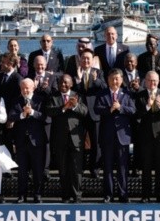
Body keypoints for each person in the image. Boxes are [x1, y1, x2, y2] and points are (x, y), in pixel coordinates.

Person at [45, 74, 88, 203]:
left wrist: (74, 106)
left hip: (76, 139)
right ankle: (65, 196)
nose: (62, 85)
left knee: (76, 169)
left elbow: (85, 112)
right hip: (60, 138)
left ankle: (77, 196)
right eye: (60, 83)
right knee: (63, 169)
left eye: (65, 83)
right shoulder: (54, 97)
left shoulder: (78, 96)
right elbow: (49, 111)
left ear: (71, 84)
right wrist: (64, 108)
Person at [95, 69, 136, 203]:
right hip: (107, 136)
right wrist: (109, 110)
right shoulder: (102, 94)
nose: (115, 82)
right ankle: (108, 195)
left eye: (117, 79)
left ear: (121, 80)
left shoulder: (127, 94)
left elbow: (133, 110)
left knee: (123, 168)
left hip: (122, 137)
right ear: (108, 80)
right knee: (107, 167)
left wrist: (120, 107)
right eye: (112, 79)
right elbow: (96, 109)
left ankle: (123, 195)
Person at [8, 78, 48, 203]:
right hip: (21, 142)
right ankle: (22, 195)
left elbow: (45, 117)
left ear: (33, 88)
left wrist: (32, 112)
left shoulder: (40, 100)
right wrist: (22, 115)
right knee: (22, 171)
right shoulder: (16, 101)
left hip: (36, 141)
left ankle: (37, 194)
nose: (25, 90)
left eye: (27, 88)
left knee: (37, 170)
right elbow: (11, 116)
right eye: (23, 88)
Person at [72, 48, 106, 179]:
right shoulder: (76, 73)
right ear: (80, 60)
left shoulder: (99, 72)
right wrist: (79, 81)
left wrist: (96, 80)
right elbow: (73, 92)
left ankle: (95, 169)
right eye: (83, 58)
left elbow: (104, 88)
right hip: (79, 114)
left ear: (92, 61)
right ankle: (78, 168)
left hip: (94, 114)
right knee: (78, 143)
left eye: (88, 59)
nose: (86, 60)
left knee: (96, 143)